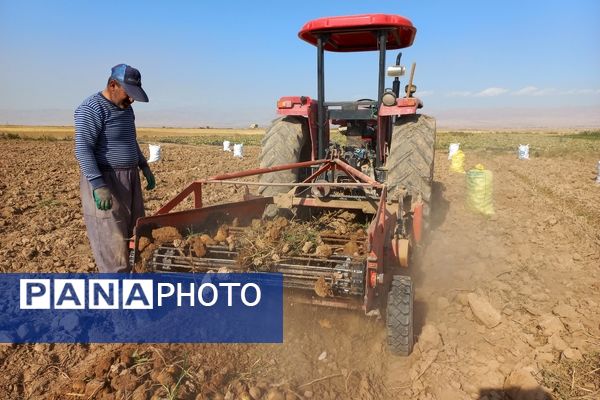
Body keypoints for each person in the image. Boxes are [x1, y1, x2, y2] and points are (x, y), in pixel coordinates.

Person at [74, 63, 155, 273]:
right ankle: (116, 297)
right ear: (112, 85)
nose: (132, 100)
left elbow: (130, 140)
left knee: (136, 234)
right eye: (129, 94)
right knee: (112, 242)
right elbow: (83, 149)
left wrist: (143, 165)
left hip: (130, 179)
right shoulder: (91, 109)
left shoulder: (126, 110)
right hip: (106, 180)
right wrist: (98, 185)